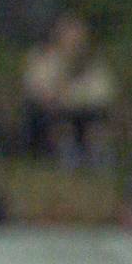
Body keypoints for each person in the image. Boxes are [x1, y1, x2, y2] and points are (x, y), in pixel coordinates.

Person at [21, 12, 116, 169]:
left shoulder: (93, 63)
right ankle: (67, 154)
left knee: (95, 118)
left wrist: (74, 98)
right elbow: (38, 89)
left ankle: (97, 156)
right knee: (60, 117)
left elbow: (104, 93)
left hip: (82, 112)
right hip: (50, 115)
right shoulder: (43, 58)